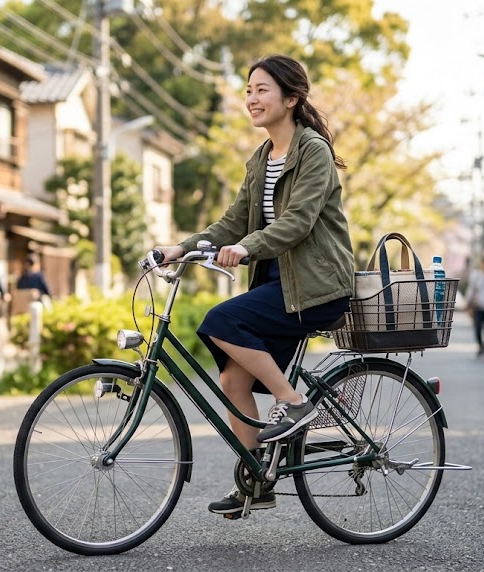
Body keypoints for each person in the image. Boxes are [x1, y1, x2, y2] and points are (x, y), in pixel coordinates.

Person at [154, 55, 354, 516]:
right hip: (279, 286)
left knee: (220, 319)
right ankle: (258, 480)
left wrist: (247, 248)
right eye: (248, 90)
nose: (252, 99)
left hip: (317, 287)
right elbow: (230, 223)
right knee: (231, 378)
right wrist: (178, 249)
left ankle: (293, 402)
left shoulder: (313, 151)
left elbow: (299, 222)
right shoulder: (261, 158)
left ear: (291, 97)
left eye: (262, 90)